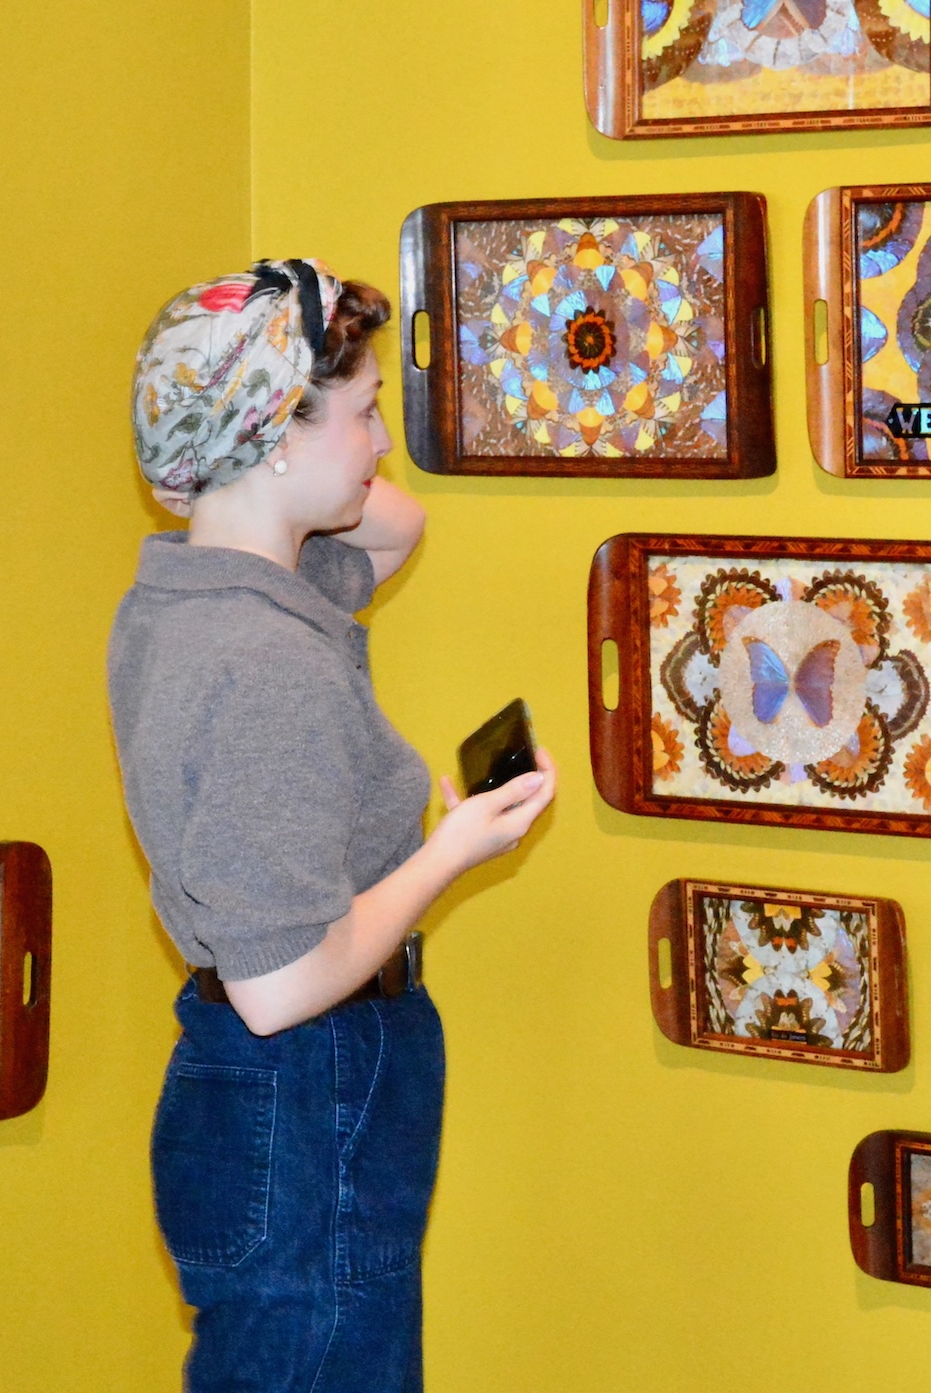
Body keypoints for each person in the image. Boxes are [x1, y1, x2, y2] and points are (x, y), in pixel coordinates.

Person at [108, 258, 559, 1391]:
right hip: (309, 1093)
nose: (384, 445)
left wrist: (300, 345)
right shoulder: (268, 659)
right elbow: (280, 984)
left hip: (259, 1096)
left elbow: (398, 523)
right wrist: (452, 851)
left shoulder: (191, 591)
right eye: (365, 415)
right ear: (273, 436)